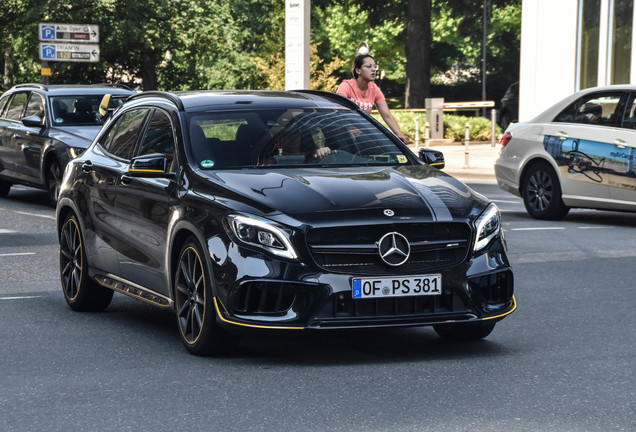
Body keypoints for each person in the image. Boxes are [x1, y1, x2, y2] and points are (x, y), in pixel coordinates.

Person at [336, 54, 410, 144]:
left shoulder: (374, 89)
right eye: (368, 66)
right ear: (358, 70)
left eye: (375, 66)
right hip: (343, 135)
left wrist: (400, 135)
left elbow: (387, 115)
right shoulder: (346, 86)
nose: (373, 69)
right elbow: (339, 112)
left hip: (363, 135)